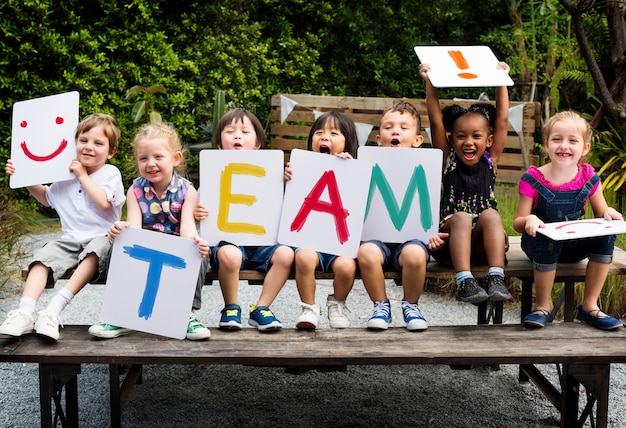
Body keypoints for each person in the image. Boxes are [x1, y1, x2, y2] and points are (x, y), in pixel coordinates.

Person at [0, 113, 125, 341]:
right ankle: (25, 312)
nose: (89, 147)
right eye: (83, 140)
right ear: (73, 143)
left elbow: (104, 203)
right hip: (70, 239)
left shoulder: (110, 173)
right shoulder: (64, 174)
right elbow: (48, 198)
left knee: (95, 249)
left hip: (103, 239)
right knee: (43, 257)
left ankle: (53, 310)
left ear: (111, 152)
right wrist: (24, 176)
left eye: (98, 143)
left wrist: (82, 176)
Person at [88, 122, 211, 340]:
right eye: (143, 158)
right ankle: (121, 314)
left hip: (175, 250)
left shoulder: (187, 191)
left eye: (158, 157)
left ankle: (186, 313)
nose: (150, 164)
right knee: (116, 247)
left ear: (176, 159)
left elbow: (187, 231)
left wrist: (196, 242)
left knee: (199, 252)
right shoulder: (135, 190)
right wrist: (121, 230)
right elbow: (135, 230)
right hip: (145, 248)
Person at [513, 111, 623, 329]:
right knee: (547, 236)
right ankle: (543, 306)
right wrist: (529, 219)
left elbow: (601, 211)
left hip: (573, 248)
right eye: (557, 139)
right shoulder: (533, 178)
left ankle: (590, 306)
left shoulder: (589, 177)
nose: (564, 146)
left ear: (585, 148)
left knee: (607, 233)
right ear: (546, 144)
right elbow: (517, 222)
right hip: (538, 246)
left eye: (572, 140)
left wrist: (608, 212)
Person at [195, 108, 295, 332]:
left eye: (245, 132)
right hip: (228, 243)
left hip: (264, 244)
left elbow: (291, 203)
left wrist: (288, 182)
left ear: (257, 144)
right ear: (220, 145)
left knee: (286, 254)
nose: (237, 136)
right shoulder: (213, 172)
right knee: (229, 255)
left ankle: (262, 308)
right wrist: (196, 211)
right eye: (230, 131)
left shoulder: (273, 173)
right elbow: (197, 205)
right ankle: (231, 306)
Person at [420, 62, 512, 305]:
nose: (468, 142)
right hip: (449, 247)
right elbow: (435, 119)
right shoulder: (447, 158)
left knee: (491, 214)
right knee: (461, 217)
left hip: (482, 247)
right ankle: (464, 281)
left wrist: (501, 80)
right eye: (461, 136)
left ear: (489, 140)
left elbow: (502, 119)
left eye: (476, 136)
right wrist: (431, 81)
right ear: (452, 139)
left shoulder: (491, 160)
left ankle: (496, 277)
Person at [356, 101, 446, 331]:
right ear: (378, 139)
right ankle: (381, 306)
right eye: (388, 127)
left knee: (416, 254)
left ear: (417, 140)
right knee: (365, 252)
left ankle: (411, 305)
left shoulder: (428, 168)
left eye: (404, 128)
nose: (395, 131)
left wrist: (433, 236)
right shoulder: (363, 165)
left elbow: (428, 212)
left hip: (412, 240)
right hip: (375, 240)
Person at [283, 111, 358, 329]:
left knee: (346, 266)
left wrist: (351, 170)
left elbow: (358, 202)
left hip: (339, 242)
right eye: (319, 132)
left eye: (334, 133)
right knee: (305, 258)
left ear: (347, 143)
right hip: (308, 240)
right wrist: (286, 180)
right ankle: (309, 307)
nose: (324, 137)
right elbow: (289, 204)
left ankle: (337, 303)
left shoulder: (354, 169)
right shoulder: (299, 168)